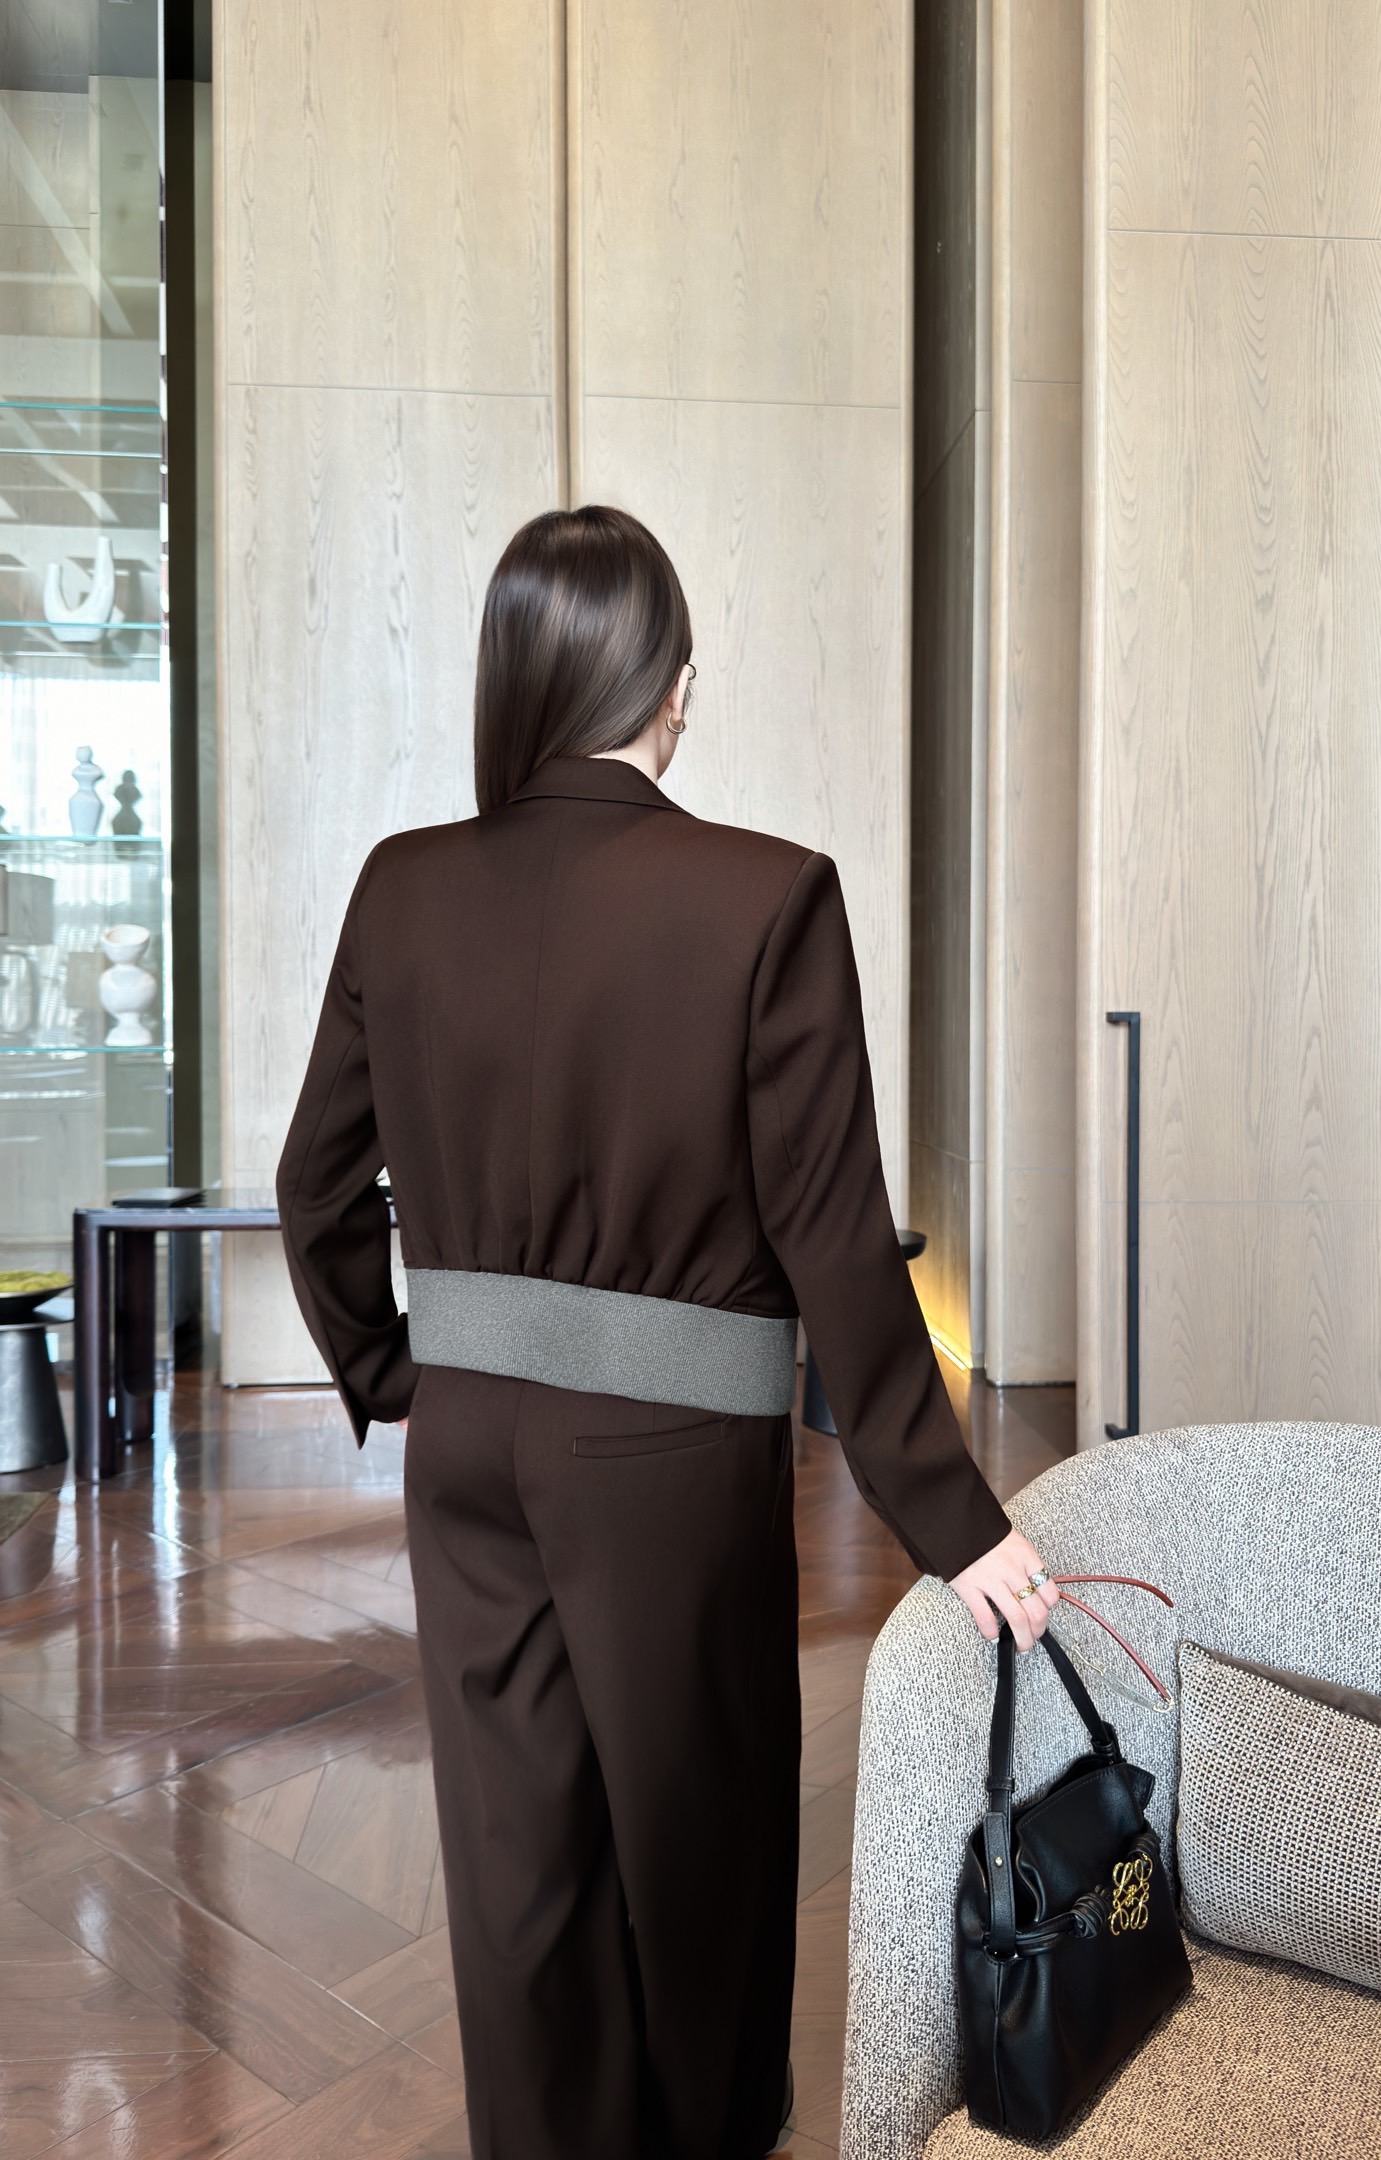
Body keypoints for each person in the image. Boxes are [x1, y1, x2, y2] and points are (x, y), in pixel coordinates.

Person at [277, 506, 1059, 2160]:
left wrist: (395, 1368)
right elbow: (838, 1240)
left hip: (465, 1448)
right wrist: (953, 1520)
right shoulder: (768, 898)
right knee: (699, 1862)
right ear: (674, 686)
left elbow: (315, 1185)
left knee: (517, 1874)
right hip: (670, 1464)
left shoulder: (402, 889)